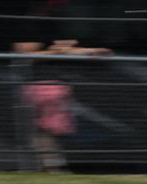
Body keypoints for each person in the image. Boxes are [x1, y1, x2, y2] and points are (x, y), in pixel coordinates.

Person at [15, 39, 111, 171]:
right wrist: (57, 51)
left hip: (53, 89)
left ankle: (51, 166)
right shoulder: (39, 47)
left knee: (49, 131)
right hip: (43, 89)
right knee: (43, 131)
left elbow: (98, 53)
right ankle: (51, 166)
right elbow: (25, 53)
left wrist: (90, 51)